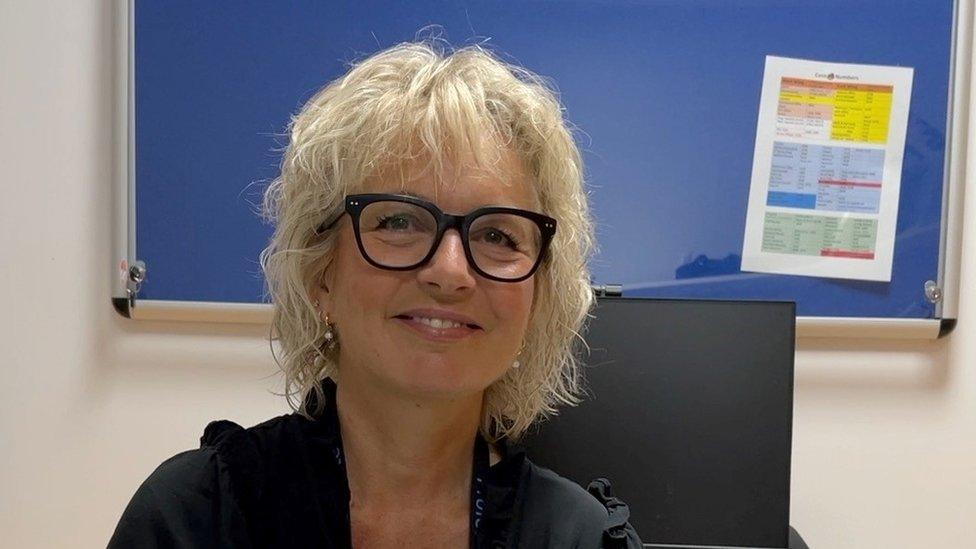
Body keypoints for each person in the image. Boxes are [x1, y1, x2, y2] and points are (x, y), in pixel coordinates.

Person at [109, 40, 642, 548]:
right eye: (400, 221)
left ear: (537, 297)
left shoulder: (583, 538)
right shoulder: (194, 519)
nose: (450, 272)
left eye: (497, 235)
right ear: (321, 273)